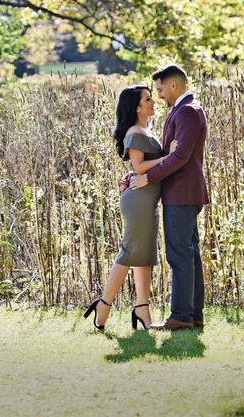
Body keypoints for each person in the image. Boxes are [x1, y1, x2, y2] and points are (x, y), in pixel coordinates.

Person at [83, 85, 176, 331]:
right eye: (148, 99)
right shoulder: (135, 132)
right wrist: (170, 157)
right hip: (138, 201)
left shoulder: (145, 130)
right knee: (129, 253)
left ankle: (142, 308)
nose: (153, 102)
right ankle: (103, 304)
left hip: (147, 200)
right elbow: (140, 167)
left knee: (142, 255)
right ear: (137, 107)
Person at [124, 64, 208, 331]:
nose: (158, 96)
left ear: (174, 85)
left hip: (182, 193)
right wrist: (135, 174)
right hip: (183, 193)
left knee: (179, 255)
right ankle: (193, 314)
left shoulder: (187, 112)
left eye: (160, 90)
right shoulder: (183, 110)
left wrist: (147, 178)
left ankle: (181, 316)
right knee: (189, 255)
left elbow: (180, 156)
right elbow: (169, 156)